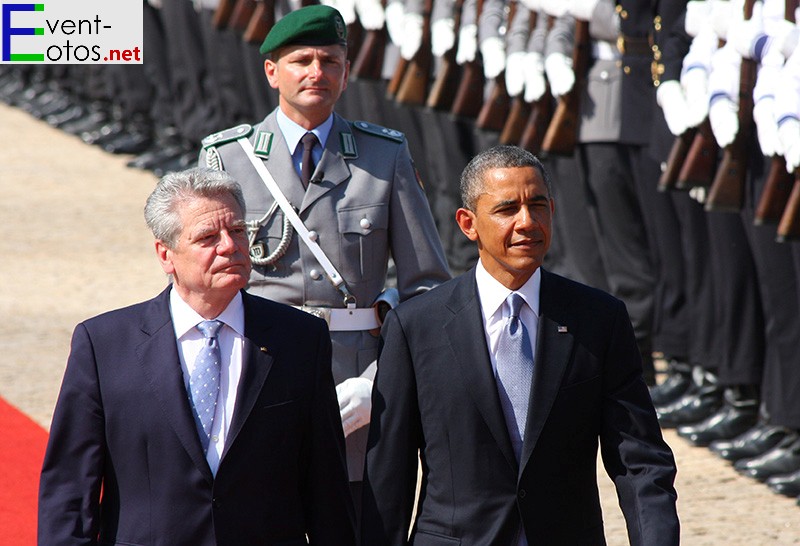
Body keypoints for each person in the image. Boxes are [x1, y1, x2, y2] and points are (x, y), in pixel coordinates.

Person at [198, 3, 451, 524]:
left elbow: (428, 291)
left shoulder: (385, 157)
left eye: (330, 61)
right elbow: (203, 290)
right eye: (302, 60)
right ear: (272, 72)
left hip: (356, 390)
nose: (318, 73)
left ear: (346, 70)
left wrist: (382, 380)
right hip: (259, 374)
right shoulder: (228, 159)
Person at [361, 145, 679, 545]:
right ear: (468, 223)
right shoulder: (416, 327)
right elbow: (389, 478)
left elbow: (639, 461)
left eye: (538, 205)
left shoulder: (598, 319)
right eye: (507, 209)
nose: (527, 222)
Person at [38, 168, 355, 545]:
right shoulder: (103, 344)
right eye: (208, 237)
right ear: (165, 254)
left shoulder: (301, 338)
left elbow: (327, 487)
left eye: (237, 231)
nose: (229, 246)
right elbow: (70, 490)